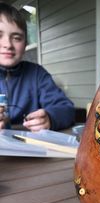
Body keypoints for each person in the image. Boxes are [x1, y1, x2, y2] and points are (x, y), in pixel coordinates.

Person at [0, 2, 75, 131]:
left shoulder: (36, 74)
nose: (8, 44)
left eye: (17, 38)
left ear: (25, 45)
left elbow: (66, 109)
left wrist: (51, 118)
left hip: (29, 146)